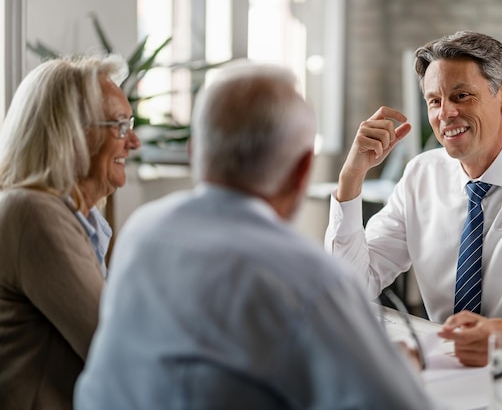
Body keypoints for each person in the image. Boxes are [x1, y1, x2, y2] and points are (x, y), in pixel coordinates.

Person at [74, 60, 443, 410]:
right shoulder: (306, 276)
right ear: (302, 172)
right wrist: (399, 366)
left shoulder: (143, 231)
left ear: (194, 151)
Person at [325, 30, 502, 366]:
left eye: (461, 96)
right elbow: (350, 285)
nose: (445, 114)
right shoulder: (422, 174)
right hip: (445, 369)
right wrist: (350, 178)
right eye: (434, 101)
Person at [0, 55, 141, 410]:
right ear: (72, 132)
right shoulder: (34, 213)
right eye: (120, 125)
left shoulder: (71, 216)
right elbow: (116, 351)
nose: (134, 141)